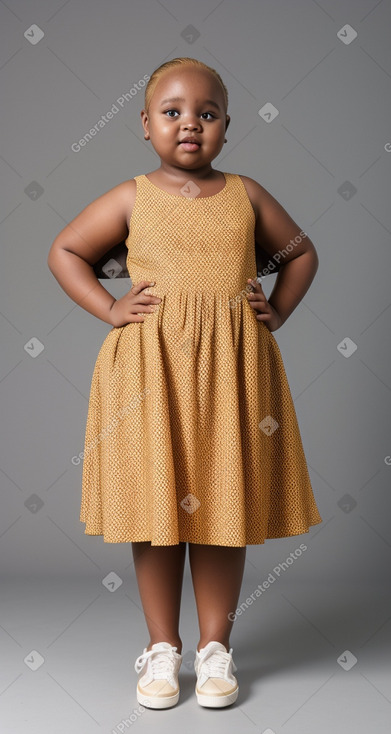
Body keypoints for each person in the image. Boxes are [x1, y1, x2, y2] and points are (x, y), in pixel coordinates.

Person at [47, 56, 322, 711]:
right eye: (172, 112)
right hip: (150, 375)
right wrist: (112, 308)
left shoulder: (246, 194)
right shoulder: (129, 197)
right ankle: (162, 649)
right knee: (158, 511)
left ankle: (215, 649)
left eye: (206, 113)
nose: (189, 124)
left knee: (224, 509)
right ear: (145, 125)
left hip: (232, 375)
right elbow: (66, 251)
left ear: (226, 127)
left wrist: (276, 310)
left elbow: (301, 253)